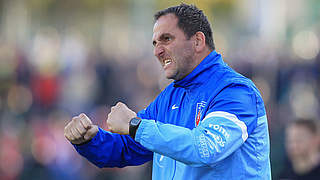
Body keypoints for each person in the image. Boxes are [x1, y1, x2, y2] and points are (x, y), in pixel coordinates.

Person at [64, 3, 271, 179]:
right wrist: (89, 140)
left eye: (166, 39)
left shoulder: (235, 91)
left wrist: (135, 125)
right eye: (155, 43)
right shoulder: (170, 95)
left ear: (198, 41)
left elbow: (206, 148)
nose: (157, 51)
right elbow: (127, 148)